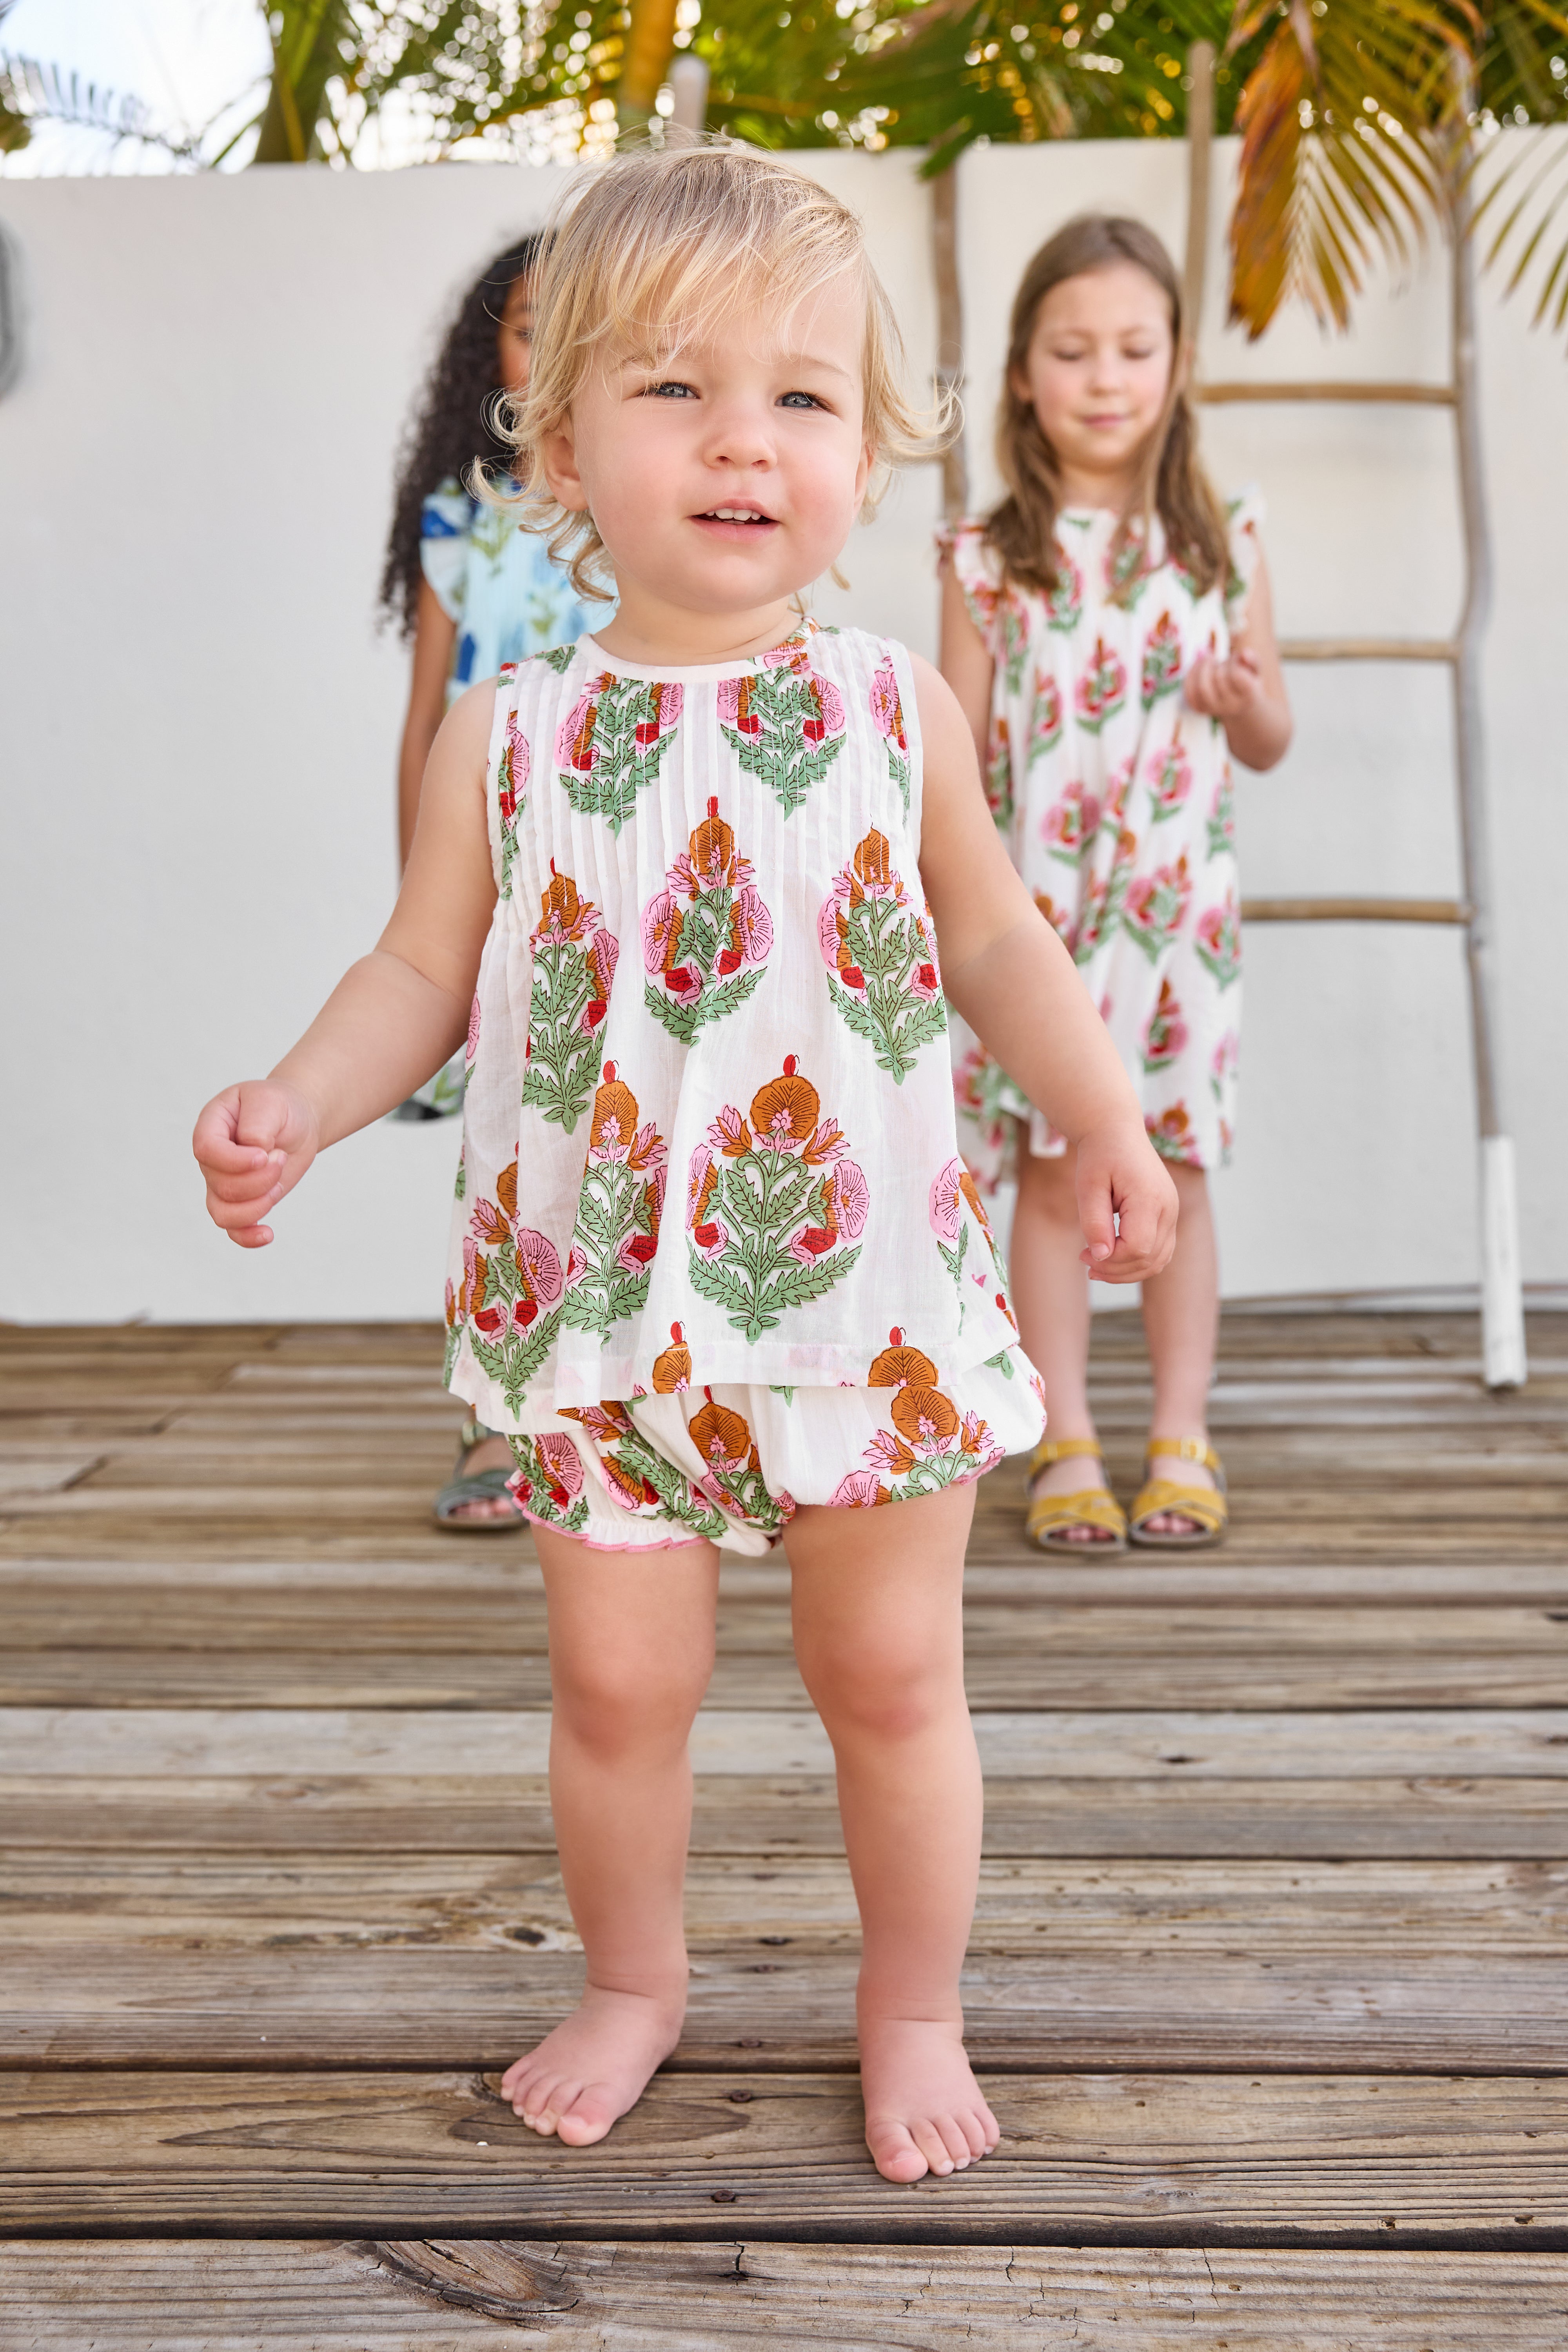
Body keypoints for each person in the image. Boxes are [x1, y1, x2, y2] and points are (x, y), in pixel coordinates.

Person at [194, 147, 1177, 2184]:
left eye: (801, 398)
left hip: (867, 1308)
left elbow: (996, 939)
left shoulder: (893, 708)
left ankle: (910, 1999)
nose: (745, 440)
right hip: (595, 1314)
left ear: (869, 446)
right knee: (616, 1691)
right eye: (674, 390)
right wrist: (302, 1091)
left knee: (890, 1681)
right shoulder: (517, 733)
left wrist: (1102, 1118)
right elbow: (420, 969)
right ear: (558, 440)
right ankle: (636, 1978)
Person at [940, 214, 1292, 1553]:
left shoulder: (1224, 539)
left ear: (1178, 362)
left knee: (1180, 1170)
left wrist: (1243, 699)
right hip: (1037, 926)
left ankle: (1182, 1431)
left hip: (1180, 922)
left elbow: (1269, 738)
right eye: (1072, 350)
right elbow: (954, 763)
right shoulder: (985, 556)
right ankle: (1065, 1432)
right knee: (1048, 1172)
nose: (1105, 377)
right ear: (1024, 373)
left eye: (1135, 348)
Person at [381, 232, 613, 1527]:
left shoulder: (651, 508)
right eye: (532, 327)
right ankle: (491, 1424)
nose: (554, 351)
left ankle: (616, 1414)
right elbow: (426, 721)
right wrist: (424, 880)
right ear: (493, 354)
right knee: (504, 1152)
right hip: (499, 876)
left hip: (627, 885)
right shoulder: (464, 528)